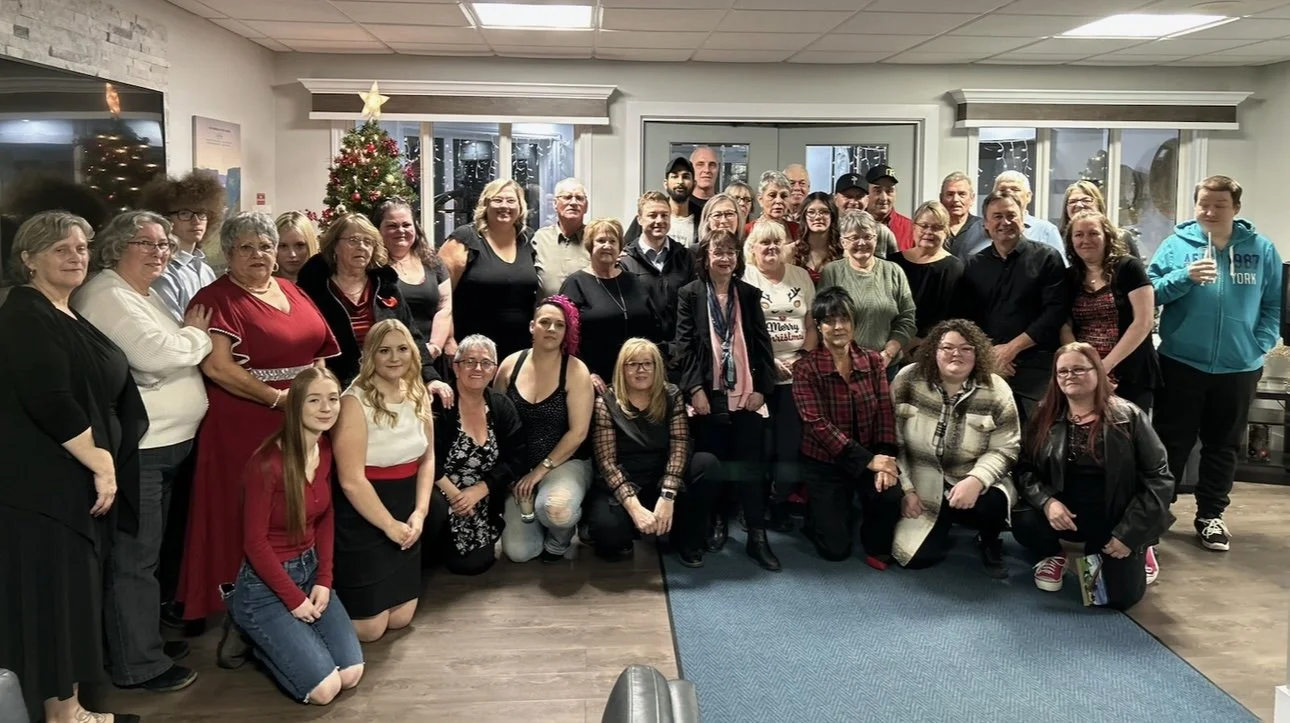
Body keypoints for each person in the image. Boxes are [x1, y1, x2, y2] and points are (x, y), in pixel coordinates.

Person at [0, 211, 147, 723]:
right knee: (54, 600)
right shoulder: (25, 311)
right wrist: (101, 462)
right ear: (28, 258)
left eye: (82, 246)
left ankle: (71, 707)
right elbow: (51, 399)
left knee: (72, 596)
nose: (76, 256)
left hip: (71, 483)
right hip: (46, 488)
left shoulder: (62, 310)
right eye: (61, 249)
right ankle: (64, 714)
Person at [72, 211, 211, 692]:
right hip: (143, 450)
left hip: (167, 445)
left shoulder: (141, 294)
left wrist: (178, 346)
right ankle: (138, 663)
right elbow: (154, 356)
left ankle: (140, 639)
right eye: (146, 243)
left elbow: (163, 355)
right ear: (115, 247)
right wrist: (195, 338)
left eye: (164, 244)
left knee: (148, 555)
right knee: (134, 558)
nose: (159, 252)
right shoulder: (107, 294)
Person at [178, 212, 340, 624]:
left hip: (302, 417)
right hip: (245, 423)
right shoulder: (214, 299)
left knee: (304, 502)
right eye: (246, 247)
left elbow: (319, 348)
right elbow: (217, 368)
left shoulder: (292, 289)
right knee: (249, 513)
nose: (258, 254)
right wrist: (277, 399)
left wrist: (316, 396)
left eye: (266, 246)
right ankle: (243, 605)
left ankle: (299, 589)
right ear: (228, 253)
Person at [1148, 175, 1282, 552]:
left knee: (1223, 446)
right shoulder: (1175, 245)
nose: (1209, 211)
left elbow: (1273, 303)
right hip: (1181, 362)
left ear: (1235, 208)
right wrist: (1184, 278)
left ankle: (1211, 515)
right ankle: (1157, 515)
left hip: (1239, 366)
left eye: (1219, 205)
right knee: (1170, 444)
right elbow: (1149, 291)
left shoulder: (1261, 249)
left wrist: (1261, 343)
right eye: (1203, 204)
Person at [227, 367, 365, 704]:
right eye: (314, 400)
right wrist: (294, 600)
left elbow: (326, 516)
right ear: (295, 406)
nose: (326, 408)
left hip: (310, 572)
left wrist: (324, 580)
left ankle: (294, 638)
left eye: (332, 399)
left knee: (351, 674)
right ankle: (252, 635)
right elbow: (254, 544)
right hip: (265, 587)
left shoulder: (325, 449)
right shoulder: (267, 465)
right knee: (325, 690)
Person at [1013, 343, 1174, 609]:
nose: (1069, 376)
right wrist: (1047, 502)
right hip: (1062, 515)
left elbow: (1159, 478)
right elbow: (1024, 468)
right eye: (1062, 371)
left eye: (1079, 369)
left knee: (1116, 599)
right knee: (1024, 518)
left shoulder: (1129, 416)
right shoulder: (1043, 415)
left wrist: (1129, 534)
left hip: (1115, 517)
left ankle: (1141, 546)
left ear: (1098, 373)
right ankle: (1054, 554)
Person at [675, 229, 780, 571]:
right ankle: (713, 525)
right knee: (713, 466)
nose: (724, 258)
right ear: (705, 259)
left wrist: (763, 389)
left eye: (730, 253)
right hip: (709, 397)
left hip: (747, 395)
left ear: (738, 259)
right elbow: (684, 348)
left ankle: (757, 538)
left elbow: (763, 346)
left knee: (750, 468)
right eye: (718, 253)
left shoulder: (748, 295)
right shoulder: (690, 295)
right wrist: (695, 390)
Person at [331, 320, 436, 642]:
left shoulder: (418, 392)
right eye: (384, 351)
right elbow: (350, 480)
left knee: (400, 619)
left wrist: (419, 513)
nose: (395, 358)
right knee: (369, 630)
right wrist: (390, 526)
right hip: (366, 512)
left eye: (402, 349)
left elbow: (427, 459)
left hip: (406, 507)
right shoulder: (354, 401)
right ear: (370, 355)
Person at [890, 320, 1020, 577]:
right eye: (947, 347)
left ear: (978, 353)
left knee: (992, 502)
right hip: (921, 483)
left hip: (970, 481)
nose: (956, 354)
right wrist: (906, 489)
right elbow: (892, 441)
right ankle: (942, 522)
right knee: (916, 559)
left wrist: (976, 480)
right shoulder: (907, 379)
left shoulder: (997, 390)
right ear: (933, 351)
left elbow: (1007, 448)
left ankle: (989, 538)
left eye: (966, 348)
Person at [792, 287, 903, 567]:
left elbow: (884, 411)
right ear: (819, 325)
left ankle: (867, 529)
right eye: (830, 320)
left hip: (870, 454)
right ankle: (817, 513)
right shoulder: (806, 368)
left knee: (890, 495)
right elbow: (817, 424)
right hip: (825, 462)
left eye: (845, 319)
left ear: (854, 322)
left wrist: (886, 457)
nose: (838, 326)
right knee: (835, 549)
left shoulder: (873, 360)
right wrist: (869, 461)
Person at [587, 338, 719, 566]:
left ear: (657, 367)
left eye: (648, 363)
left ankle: (686, 539)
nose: (641, 370)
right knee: (608, 531)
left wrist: (668, 494)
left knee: (706, 464)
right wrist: (634, 508)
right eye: (633, 364)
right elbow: (607, 463)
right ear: (622, 368)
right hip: (627, 480)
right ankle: (630, 532)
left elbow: (680, 444)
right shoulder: (605, 402)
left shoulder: (672, 395)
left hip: (662, 475)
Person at [296, 213, 448, 396]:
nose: (361, 247)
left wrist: (430, 376)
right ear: (335, 245)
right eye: (353, 240)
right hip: (333, 388)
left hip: (384, 385)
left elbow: (410, 334)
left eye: (368, 241)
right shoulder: (315, 288)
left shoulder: (385, 286)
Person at [956, 190, 1069, 425]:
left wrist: (1012, 349)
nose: (1004, 222)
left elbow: (1054, 313)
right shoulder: (974, 264)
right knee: (990, 435)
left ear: (1022, 219)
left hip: (1038, 368)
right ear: (986, 224)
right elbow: (967, 318)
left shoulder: (1047, 258)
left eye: (1011, 215)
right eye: (997, 216)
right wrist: (992, 353)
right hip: (990, 365)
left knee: (1037, 438)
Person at [494, 298, 594, 563]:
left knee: (556, 510)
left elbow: (579, 433)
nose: (551, 329)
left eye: (559, 325)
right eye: (545, 322)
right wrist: (510, 473)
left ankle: (559, 538)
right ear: (531, 326)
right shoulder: (509, 366)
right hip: (520, 466)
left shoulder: (575, 370)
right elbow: (496, 423)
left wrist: (538, 473)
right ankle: (537, 516)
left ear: (565, 332)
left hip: (564, 461)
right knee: (519, 553)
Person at [427, 335, 527, 575]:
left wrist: (481, 490)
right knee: (435, 515)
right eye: (469, 361)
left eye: (485, 363)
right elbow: (426, 457)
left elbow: (517, 458)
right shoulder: (438, 403)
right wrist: (456, 497)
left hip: (481, 495)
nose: (477, 368)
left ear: (494, 369)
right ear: (455, 366)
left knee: (474, 564)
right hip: (439, 489)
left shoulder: (501, 406)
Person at [741, 220, 816, 530]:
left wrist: (802, 357)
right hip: (758, 375)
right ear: (752, 248)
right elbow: (740, 331)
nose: (771, 248)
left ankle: (779, 500)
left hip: (796, 377)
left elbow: (811, 325)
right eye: (764, 243)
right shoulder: (745, 277)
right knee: (760, 447)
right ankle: (753, 507)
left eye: (777, 242)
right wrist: (768, 361)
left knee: (789, 447)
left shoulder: (800, 276)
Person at [1059, 211, 1159, 413]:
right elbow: (1064, 325)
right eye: (1078, 235)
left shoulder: (1129, 267)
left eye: (1093, 233)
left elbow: (1144, 321)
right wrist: (1083, 364)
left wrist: (1104, 367)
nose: (1085, 240)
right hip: (1085, 375)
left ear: (1107, 237)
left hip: (1130, 372)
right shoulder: (1069, 277)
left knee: (1126, 437)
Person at [442, 179, 540, 362]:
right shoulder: (464, 239)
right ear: (485, 204)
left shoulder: (529, 240)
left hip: (521, 348)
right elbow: (441, 298)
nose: (505, 206)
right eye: (497, 200)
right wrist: (448, 340)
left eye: (511, 201)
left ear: (520, 206)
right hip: (473, 349)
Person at [560, 218, 662, 390]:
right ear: (590, 245)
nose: (607, 245)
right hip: (595, 381)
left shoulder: (634, 281)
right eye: (601, 241)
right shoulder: (575, 284)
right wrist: (586, 373)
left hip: (638, 377)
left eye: (612, 241)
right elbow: (564, 339)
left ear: (620, 247)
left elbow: (654, 328)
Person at [819, 210, 916, 375]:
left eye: (867, 236)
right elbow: (824, 319)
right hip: (843, 366)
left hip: (887, 366)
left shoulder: (893, 271)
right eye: (854, 237)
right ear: (843, 242)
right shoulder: (831, 272)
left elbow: (907, 318)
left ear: (876, 239)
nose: (861, 242)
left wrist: (888, 354)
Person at [372, 197, 453, 368]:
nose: (400, 230)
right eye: (392, 226)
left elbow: (445, 308)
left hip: (433, 359)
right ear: (378, 230)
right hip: (391, 362)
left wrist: (434, 348)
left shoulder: (433, 262)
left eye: (406, 225)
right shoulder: (373, 268)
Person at [137, 170, 225, 323]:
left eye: (202, 213)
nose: (196, 220)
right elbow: (172, 327)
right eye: (185, 213)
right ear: (164, 218)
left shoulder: (206, 270)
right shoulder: (161, 271)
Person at [618, 190, 696, 358]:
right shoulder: (625, 262)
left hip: (681, 354)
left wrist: (681, 348)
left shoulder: (685, 257)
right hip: (641, 355)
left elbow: (693, 309)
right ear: (639, 219)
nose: (659, 221)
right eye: (652, 215)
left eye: (664, 215)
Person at [890, 201, 964, 361]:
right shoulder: (892, 263)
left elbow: (955, 317)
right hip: (892, 349)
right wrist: (899, 342)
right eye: (924, 225)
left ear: (946, 231)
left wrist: (924, 343)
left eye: (936, 227)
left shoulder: (955, 269)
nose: (928, 232)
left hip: (935, 353)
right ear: (914, 227)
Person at [625, 157, 702, 248]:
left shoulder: (702, 218)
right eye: (674, 176)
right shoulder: (648, 216)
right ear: (666, 184)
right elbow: (626, 249)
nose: (680, 182)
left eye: (685, 177)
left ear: (694, 184)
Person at [533, 178, 591, 298]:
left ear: (586, 206)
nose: (573, 202)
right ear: (555, 204)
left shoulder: (595, 238)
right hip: (547, 313)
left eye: (579, 198)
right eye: (567, 197)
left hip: (585, 314)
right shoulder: (540, 239)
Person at [991, 171, 1065, 259]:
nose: (1009, 194)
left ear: (1028, 196)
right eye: (1002, 190)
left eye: (1015, 189)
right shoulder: (981, 229)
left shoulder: (1047, 231)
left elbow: (1059, 267)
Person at [1060, 181, 1140, 258]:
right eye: (1073, 201)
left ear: (1098, 204)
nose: (1079, 205)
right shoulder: (1057, 239)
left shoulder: (1122, 238)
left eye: (1086, 200)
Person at [793, 191, 844, 284]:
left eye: (824, 212)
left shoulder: (843, 251)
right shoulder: (792, 252)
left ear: (832, 216)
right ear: (804, 216)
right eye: (811, 212)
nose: (818, 217)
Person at [864, 165, 913, 251]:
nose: (883, 198)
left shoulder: (911, 228)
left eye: (889, 191)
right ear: (866, 193)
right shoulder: (853, 225)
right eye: (877, 191)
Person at [941, 171, 988, 260]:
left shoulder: (984, 227)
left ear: (972, 198)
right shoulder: (932, 228)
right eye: (950, 194)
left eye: (962, 194)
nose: (955, 199)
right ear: (941, 198)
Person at [745, 171, 800, 241]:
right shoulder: (747, 231)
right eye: (772, 195)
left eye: (784, 196)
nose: (779, 201)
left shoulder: (797, 230)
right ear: (760, 199)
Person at [275, 211, 320, 283]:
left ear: (310, 244)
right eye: (283, 246)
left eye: (300, 245)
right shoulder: (261, 287)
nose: (292, 254)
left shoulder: (327, 284)